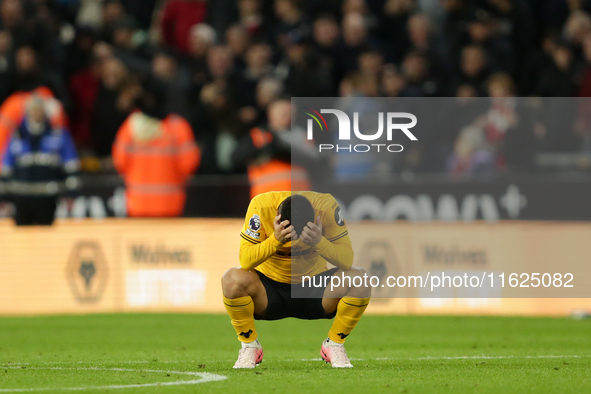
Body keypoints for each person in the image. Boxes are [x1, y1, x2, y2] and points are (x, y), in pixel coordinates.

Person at [221, 191, 371, 369]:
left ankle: (335, 344)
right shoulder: (261, 206)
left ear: (315, 217)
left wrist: (319, 242)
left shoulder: (326, 206)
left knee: (360, 279)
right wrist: (275, 240)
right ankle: (249, 345)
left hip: (315, 288)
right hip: (269, 290)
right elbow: (245, 260)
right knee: (231, 279)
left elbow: (347, 260)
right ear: (278, 217)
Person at [112, 84, 200, 217]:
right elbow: (189, 164)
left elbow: (120, 162)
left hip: (137, 204)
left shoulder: (130, 126)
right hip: (170, 204)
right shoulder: (178, 127)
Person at [0, 96, 79, 226]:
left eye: (39, 109)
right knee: (22, 239)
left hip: (49, 198)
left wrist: (71, 193)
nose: (36, 113)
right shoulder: (16, 135)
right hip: (21, 198)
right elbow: (6, 167)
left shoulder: (58, 134)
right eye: (33, 109)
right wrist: (3, 197)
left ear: (45, 111)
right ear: (27, 112)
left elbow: (71, 165)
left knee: (47, 239)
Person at [231, 99, 314, 198]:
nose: (286, 116)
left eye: (289, 112)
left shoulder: (302, 136)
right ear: (270, 113)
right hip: (265, 198)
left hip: (299, 198)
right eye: (281, 112)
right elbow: (235, 158)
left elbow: (315, 160)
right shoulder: (258, 135)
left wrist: (274, 150)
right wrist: (263, 150)